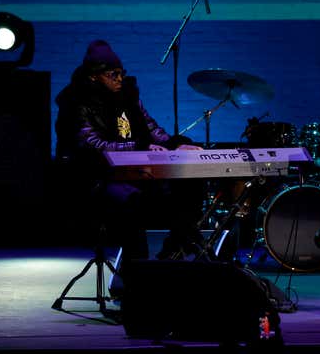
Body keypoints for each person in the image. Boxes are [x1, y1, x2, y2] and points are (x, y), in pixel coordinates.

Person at [54, 39, 206, 279]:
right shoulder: (75, 102)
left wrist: (177, 145)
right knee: (132, 201)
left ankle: (174, 250)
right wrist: (142, 148)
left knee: (191, 182)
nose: (119, 79)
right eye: (112, 74)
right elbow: (94, 146)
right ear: (94, 76)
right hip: (97, 177)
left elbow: (151, 128)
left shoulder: (128, 95)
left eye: (121, 73)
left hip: (135, 171)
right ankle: (137, 275)